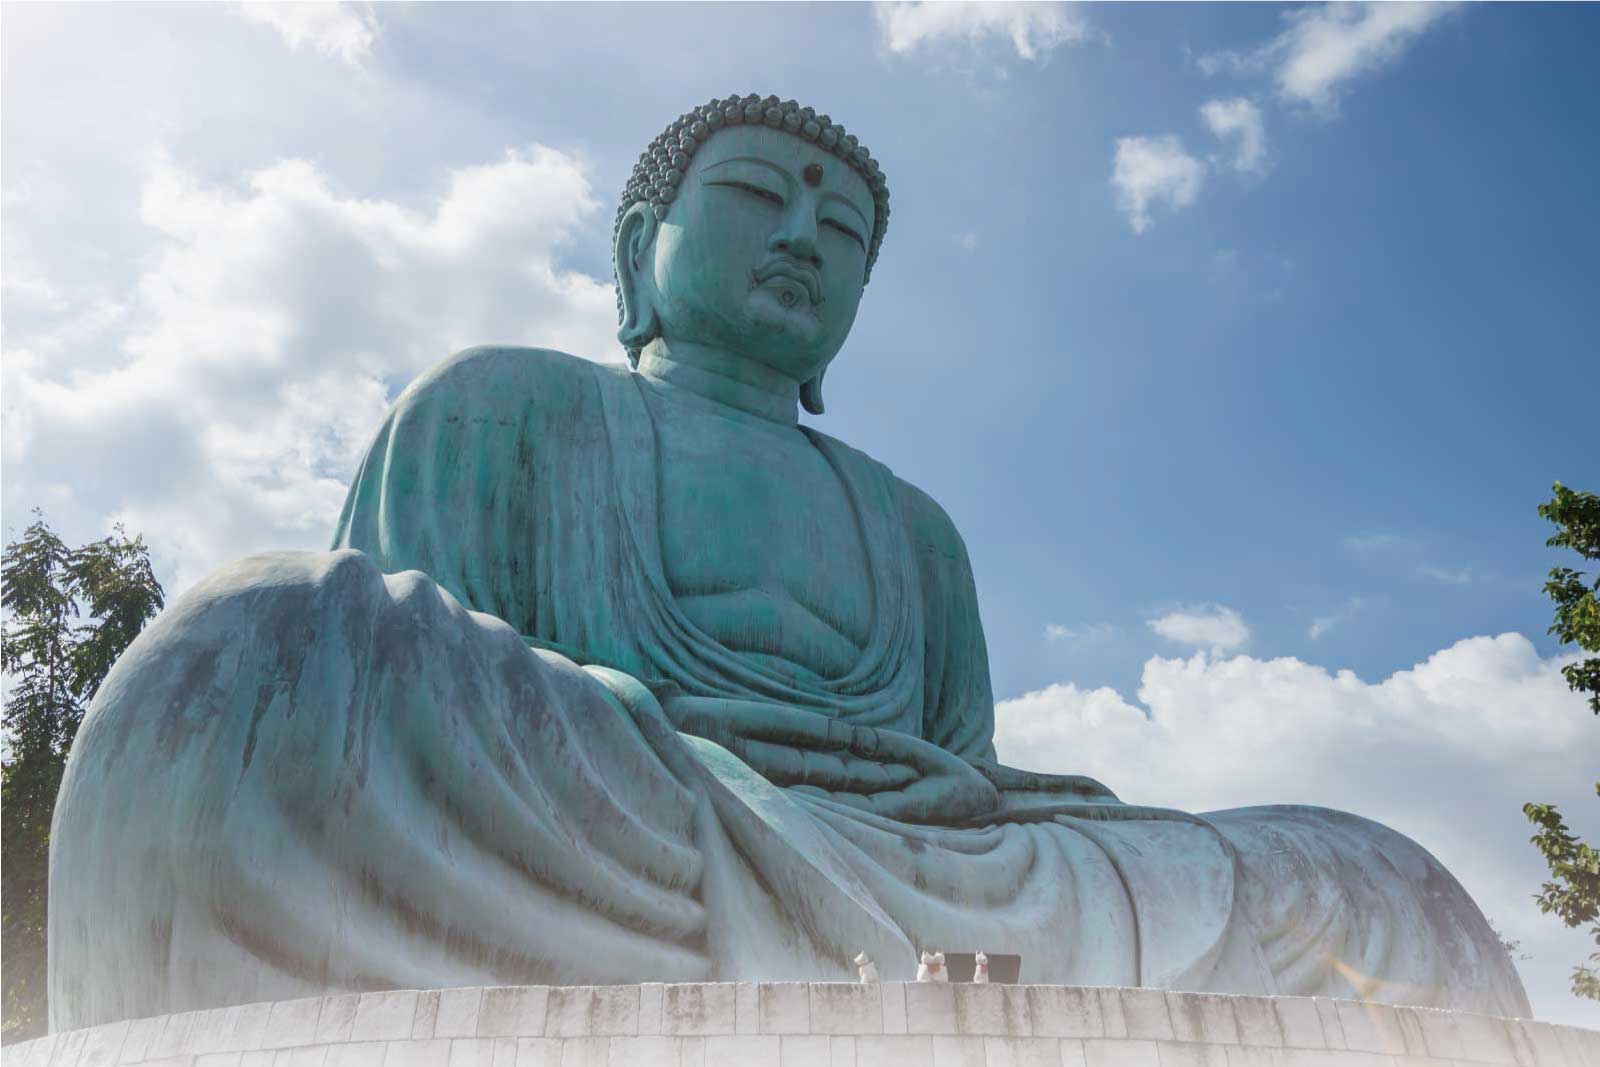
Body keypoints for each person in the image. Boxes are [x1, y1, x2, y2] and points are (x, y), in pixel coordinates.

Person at [48, 95, 1528, 1032]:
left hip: (938, 871)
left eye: (846, 232)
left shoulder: (915, 528)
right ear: (642, 246)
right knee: (254, 650)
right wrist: (674, 754)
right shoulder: (504, 406)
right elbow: (407, 698)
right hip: (626, 827)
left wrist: (971, 820)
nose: (806, 236)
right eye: (760, 196)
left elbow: (965, 781)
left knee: (1373, 879)